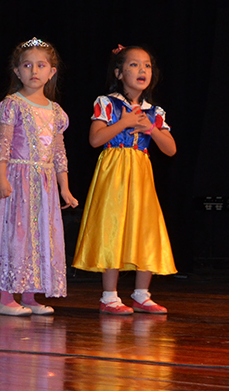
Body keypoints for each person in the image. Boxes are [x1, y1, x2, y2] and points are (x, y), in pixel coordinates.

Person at [0, 37, 78, 316]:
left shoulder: (55, 112)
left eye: (41, 65)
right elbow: (3, 145)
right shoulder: (13, 104)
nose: (34, 70)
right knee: (16, 233)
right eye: (27, 65)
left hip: (44, 185)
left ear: (51, 72)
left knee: (40, 235)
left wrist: (64, 187)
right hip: (18, 179)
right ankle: (6, 298)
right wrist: (0, 177)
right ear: (17, 71)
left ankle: (30, 295)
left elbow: (59, 153)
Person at [73, 44, 177, 315]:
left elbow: (171, 149)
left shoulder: (154, 111)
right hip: (115, 169)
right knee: (113, 227)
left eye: (147, 65)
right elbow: (95, 139)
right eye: (134, 64)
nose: (142, 70)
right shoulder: (107, 103)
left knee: (145, 227)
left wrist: (149, 128)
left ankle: (142, 294)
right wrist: (124, 122)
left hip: (141, 171)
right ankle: (109, 296)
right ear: (119, 72)